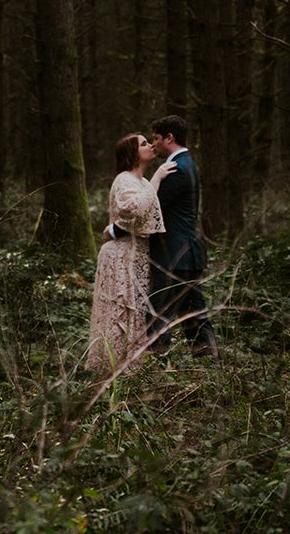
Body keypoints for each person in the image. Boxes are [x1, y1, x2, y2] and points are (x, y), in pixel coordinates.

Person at [87, 133, 174, 374]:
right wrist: (157, 179)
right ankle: (114, 368)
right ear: (133, 153)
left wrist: (114, 229)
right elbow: (132, 209)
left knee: (137, 311)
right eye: (144, 143)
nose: (149, 146)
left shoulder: (143, 182)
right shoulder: (123, 180)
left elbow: (145, 218)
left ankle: (131, 367)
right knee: (121, 311)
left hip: (138, 254)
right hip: (120, 255)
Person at [146, 115, 218, 358]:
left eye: (155, 138)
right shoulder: (188, 162)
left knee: (160, 311)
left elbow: (151, 208)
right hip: (188, 252)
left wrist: (116, 230)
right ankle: (207, 357)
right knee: (193, 311)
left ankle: (156, 364)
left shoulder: (175, 169)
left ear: (169, 138)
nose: (152, 143)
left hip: (174, 254)